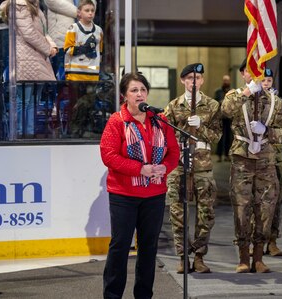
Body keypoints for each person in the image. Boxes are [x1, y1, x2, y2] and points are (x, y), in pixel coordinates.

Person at [100, 72, 180, 298]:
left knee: (148, 248)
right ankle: (112, 295)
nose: (139, 94)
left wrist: (165, 167)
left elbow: (173, 152)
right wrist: (139, 169)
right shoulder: (117, 121)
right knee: (120, 247)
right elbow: (109, 156)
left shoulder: (160, 120)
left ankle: (144, 295)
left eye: (143, 90)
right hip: (123, 195)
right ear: (124, 95)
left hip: (154, 194)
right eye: (134, 90)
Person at [221, 59, 282, 273]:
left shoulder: (275, 102)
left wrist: (266, 131)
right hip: (242, 159)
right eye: (250, 71)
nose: (255, 75)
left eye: (258, 71)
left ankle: (258, 257)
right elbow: (226, 111)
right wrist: (247, 93)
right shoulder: (235, 96)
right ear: (243, 74)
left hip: (266, 159)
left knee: (265, 209)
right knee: (242, 208)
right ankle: (243, 256)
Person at [164, 63, 222, 274]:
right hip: (179, 164)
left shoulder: (212, 106)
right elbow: (164, 136)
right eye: (189, 78)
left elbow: (218, 137)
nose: (193, 82)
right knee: (177, 213)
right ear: (182, 81)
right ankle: (182, 256)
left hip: (203, 165)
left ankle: (199, 256)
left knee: (205, 213)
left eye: (197, 78)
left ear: (202, 80)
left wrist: (202, 128)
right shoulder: (173, 106)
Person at [0, 0, 58, 138]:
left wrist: (52, 45)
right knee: (23, 100)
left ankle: (30, 132)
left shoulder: (37, 7)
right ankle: (19, 133)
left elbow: (44, 32)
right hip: (26, 58)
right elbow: (29, 33)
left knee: (34, 100)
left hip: (39, 57)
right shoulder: (19, 6)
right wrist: (48, 48)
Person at [260, 68, 282, 256]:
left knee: (276, 199)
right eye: (263, 80)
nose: (266, 84)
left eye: (269, 80)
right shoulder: (250, 102)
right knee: (258, 200)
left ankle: (272, 240)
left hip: (276, 156)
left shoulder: (279, 104)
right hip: (256, 156)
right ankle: (257, 240)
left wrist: (267, 132)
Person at [44, 0, 97, 80]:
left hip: (84, 41)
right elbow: (51, 1)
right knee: (61, 80)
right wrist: (79, 13)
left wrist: (84, 11)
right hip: (62, 41)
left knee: (81, 80)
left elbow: (92, 5)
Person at [64, 0, 103, 82]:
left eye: (92, 10)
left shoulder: (99, 31)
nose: (90, 13)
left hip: (93, 74)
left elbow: (100, 52)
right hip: (75, 74)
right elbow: (67, 49)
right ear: (79, 12)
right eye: (87, 10)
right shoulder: (73, 28)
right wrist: (84, 48)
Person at [214, 74, 232, 162]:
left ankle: (227, 155)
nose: (226, 82)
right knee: (220, 137)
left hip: (229, 118)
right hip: (220, 117)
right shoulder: (218, 91)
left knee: (229, 137)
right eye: (224, 80)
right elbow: (214, 103)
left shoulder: (233, 92)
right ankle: (219, 155)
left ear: (230, 81)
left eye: (227, 80)